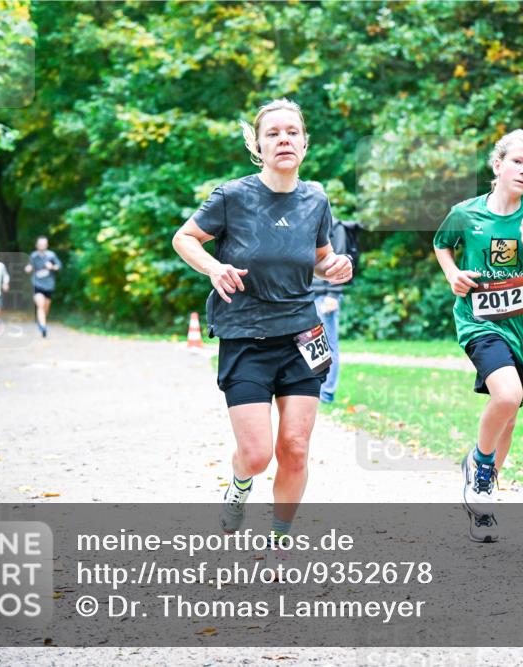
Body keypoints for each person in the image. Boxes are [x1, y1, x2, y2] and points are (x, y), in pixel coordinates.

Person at [171, 98, 353, 542]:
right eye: (273, 133)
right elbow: (185, 238)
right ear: (258, 145)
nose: (284, 139)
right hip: (245, 336)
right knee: (255, 455)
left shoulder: (316, 199)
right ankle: (239, 485)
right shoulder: (233, 196)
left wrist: (335, 265)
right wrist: (214, 268)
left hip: (302, 335)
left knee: (295, 447)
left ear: (305, 144)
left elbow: (317, 258)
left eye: (292, 132)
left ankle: (280, 539)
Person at [433, 129, 523, 542]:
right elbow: (442, 244)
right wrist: (453, 275)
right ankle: (479, 465)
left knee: (509, 419)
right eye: (517, 162)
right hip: (480, 322)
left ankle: (483, 500)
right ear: (497, 165)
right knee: (508, 395)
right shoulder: (466, 213)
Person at [309, 183, 350, 404]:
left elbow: (339, 260)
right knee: (308, 346)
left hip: (325, 295)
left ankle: (326, 393)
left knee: (328, 345)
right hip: (304, 294)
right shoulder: (301, 224)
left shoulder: (336, 226)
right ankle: (312, 390)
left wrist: (333, 295)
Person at [24, 236, 62, 338]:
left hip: (49, 285)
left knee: (46, 306)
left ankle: (41, 320)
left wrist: (52, 267)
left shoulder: (51, 255)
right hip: (37, 284)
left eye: (44, 244)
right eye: (40, 244)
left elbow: (59, 266)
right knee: (40, 304)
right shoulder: (33, 256)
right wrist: (28, 268)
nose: (42, 245)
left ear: (47, 245)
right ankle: (43, 327)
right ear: (37, 245)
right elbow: (30, 266)